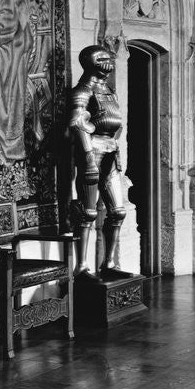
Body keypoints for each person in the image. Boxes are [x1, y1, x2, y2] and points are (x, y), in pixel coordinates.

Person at [68, 45, 133, 279]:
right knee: (87, 212)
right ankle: (82, 267)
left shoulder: (109, 90)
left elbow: (116, 123)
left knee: (118, 212)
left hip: (110, 150)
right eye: (103, 58)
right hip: (92, 150)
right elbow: (77, 123)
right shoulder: (83, 90)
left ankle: (110, 263)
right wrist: (87, 156)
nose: (109, 63)